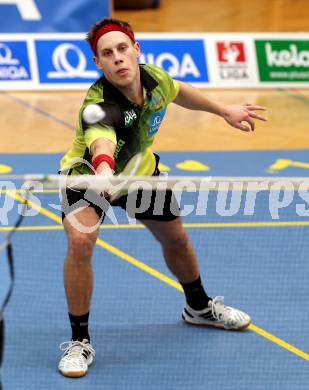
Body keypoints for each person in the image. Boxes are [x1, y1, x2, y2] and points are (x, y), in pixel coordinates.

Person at [58, 17, 267, 378]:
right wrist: (105, 169)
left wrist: (224, 110)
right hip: (90, 178)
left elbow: (179, 90)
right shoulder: (98, 102)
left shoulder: (154, 78)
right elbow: (101, 140)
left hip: (141, 175)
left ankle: (199, 308)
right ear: (98, 63)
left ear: (136, 50)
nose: (118, 58)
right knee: (81, 242)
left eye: (123, 48)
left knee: (176, 238)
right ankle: (79, 341)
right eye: (107, 53)